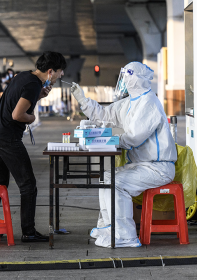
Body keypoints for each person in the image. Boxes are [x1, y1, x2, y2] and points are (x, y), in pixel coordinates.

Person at [71, 61, 177, 248]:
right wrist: (83, 100)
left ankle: (126, 236)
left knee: (117, 183)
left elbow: (134, 138)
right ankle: (109, 226)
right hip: (142, 165)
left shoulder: (149, 102)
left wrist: (108, 140)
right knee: (106, 177)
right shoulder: (130, 102)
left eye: (126, 77)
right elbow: (104, 113)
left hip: (158, 167)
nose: (124, 81)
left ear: (134, 78)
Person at [0, 51, 65, 242]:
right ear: (51, 71)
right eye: (60, 72)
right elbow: (17, 115)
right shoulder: (33, 84)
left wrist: (37, 97)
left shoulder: (23, 76)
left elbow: (14, 99)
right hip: (8, 138)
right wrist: (32, 117)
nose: (61, 76)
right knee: (28, 185)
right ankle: (28, 232)